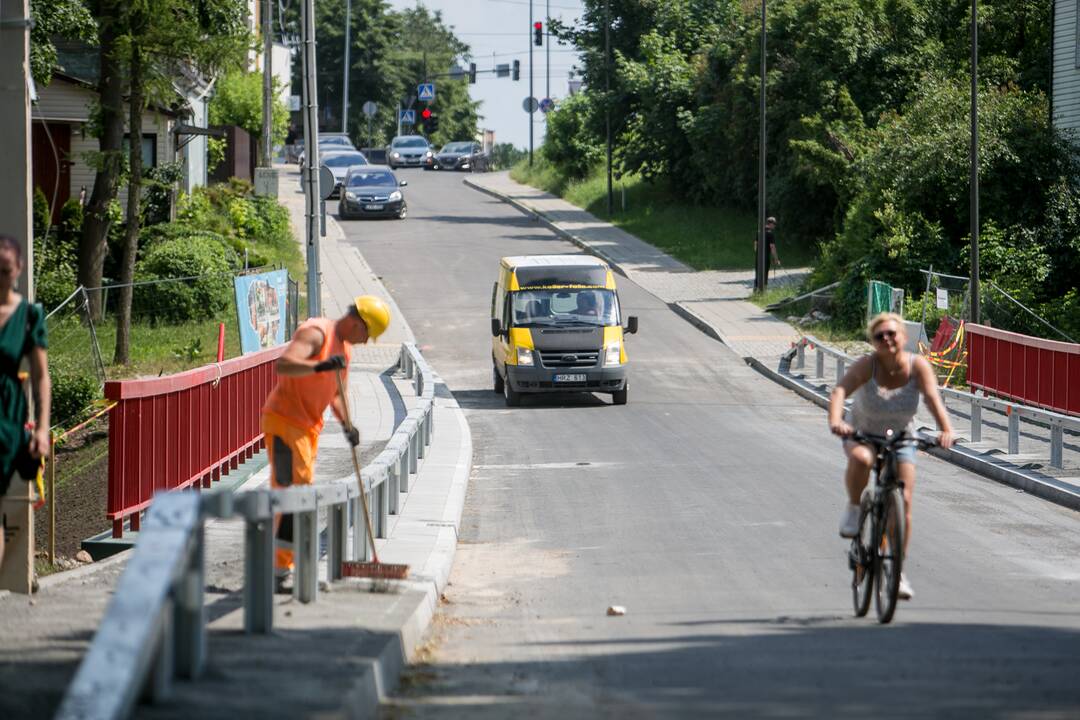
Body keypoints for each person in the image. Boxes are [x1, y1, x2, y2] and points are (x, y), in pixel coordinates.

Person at [261, 295, 390, 591]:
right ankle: (280, 570)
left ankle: (284, 568)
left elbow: (336, 395)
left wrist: (348, 425)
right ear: (358, 323)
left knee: (297, 492)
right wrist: (319, 366)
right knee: (292, 491)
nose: (365, 342)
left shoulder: (345, 351)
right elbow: (285, 365)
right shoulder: (317, 332)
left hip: (308, 430)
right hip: (283, 423)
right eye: (367, 336)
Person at [828, 312, 954, 601]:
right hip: (862, 432)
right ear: (873, 341)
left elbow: (933, 399)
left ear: (903, 337)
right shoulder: (867, 365)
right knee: (862, 460)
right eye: (879, 336)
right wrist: (837, 420)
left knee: (905, 498)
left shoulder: (917, 366)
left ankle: (897, 574)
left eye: (892, 334)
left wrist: (946, 430)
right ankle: (854, 506)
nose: (886, 339)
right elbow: (839, 391)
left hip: (901, 437)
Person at [0, 234, 51, 569]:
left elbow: (41, 375)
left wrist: (43, 428)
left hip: (6, 421)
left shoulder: (29, 315)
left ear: (18, 269)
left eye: (5, 269)